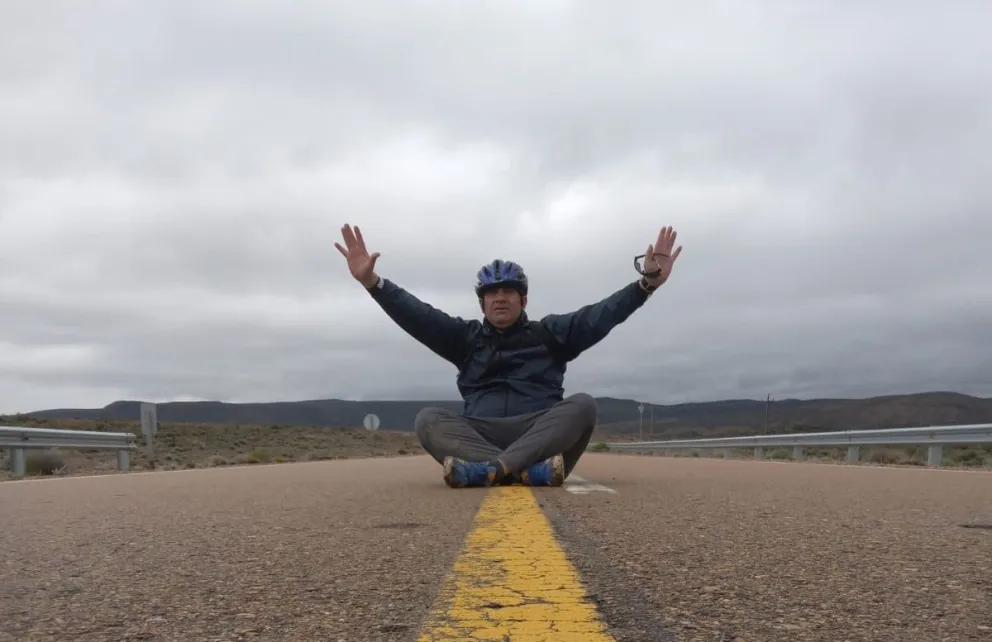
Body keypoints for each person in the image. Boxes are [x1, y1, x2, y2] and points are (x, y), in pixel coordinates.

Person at [334, 223, 682, 488]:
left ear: (523, 300)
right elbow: (417, 315)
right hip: (480, 434)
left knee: (583, 406)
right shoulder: (465, 338)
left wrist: (646, 285)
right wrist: (373, 283)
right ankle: (523, 471)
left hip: (539, 432)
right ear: (482, 303)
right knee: (428, 419)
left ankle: (492, 470)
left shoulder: (550, 333)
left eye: (508, 292)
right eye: (491, 293)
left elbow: (602, 314)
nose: (500, 298)